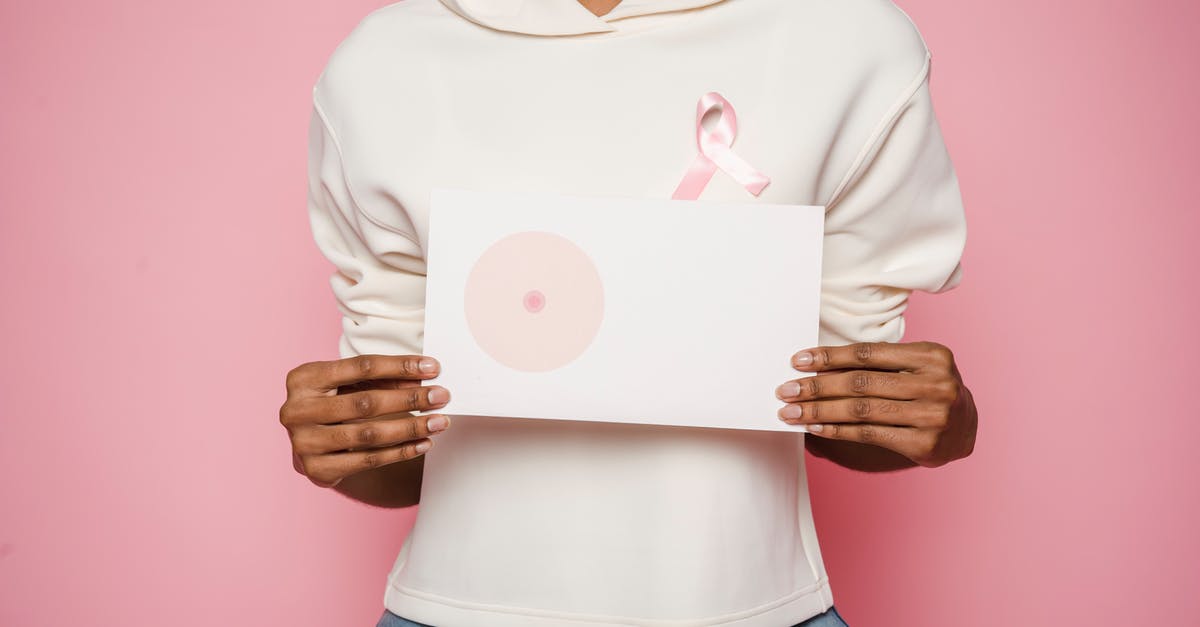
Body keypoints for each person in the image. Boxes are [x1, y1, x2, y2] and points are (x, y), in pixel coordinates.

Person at [278, 0, 979, 625]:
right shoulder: (382, 68)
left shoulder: (850, 42)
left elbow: (833, 401)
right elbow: (404, 451)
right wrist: (343, 445)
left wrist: (934, 423)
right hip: (450, 607)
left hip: (756, 607)